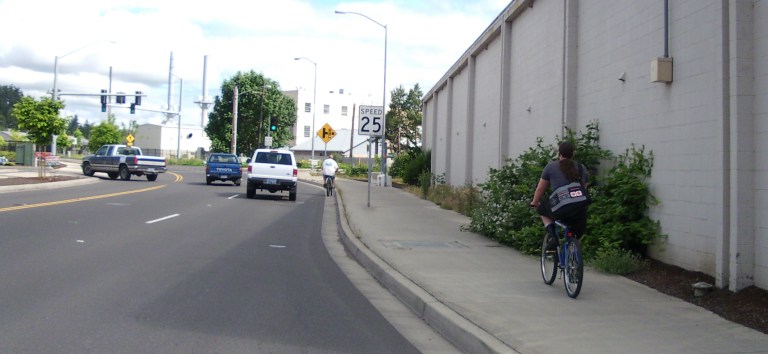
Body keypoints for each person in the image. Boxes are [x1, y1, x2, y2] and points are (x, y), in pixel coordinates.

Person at [530, 141, 589, 250]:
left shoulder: (551, 167)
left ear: (559, 153)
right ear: (573, 153)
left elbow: (540, 189)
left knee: (542, 208)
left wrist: (534, 203)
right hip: (579, 210)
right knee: (576, 232)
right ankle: (573, 252)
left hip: (559, 208)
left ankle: (552, 235)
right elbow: (583, 190)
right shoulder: (581, 168)